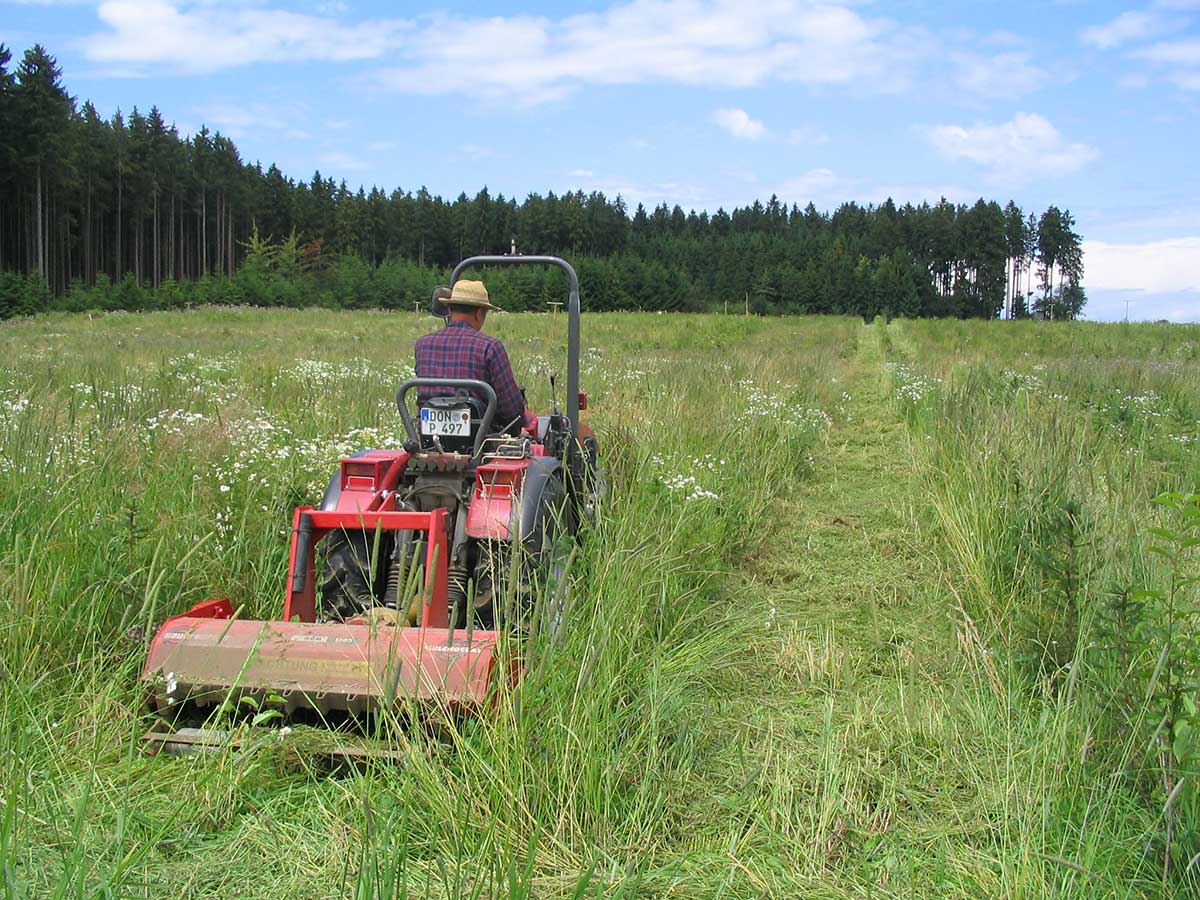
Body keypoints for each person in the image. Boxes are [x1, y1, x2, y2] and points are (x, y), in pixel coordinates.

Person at [414, 279, 531, 433]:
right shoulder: (489, 347)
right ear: (479, 313)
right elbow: (511, 411)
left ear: (450, 309)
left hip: (428, 438)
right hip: (480, 440)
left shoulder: (423, 344)